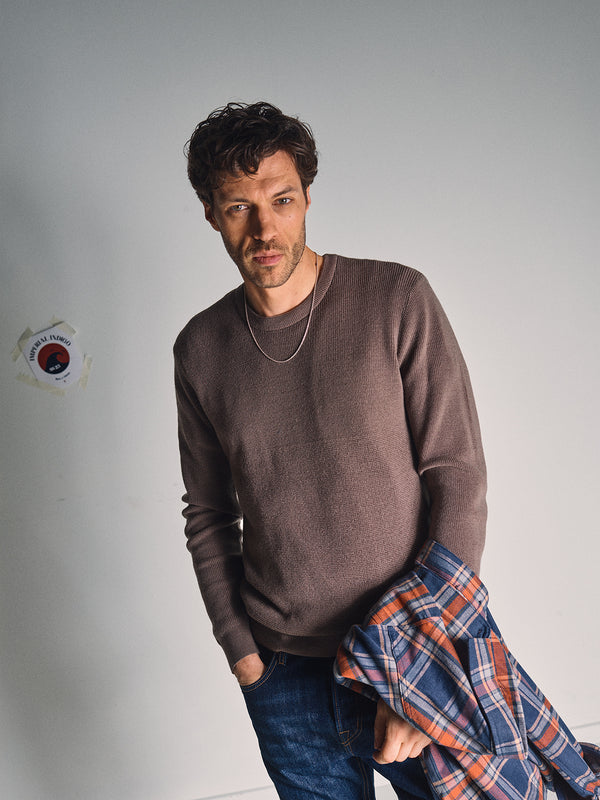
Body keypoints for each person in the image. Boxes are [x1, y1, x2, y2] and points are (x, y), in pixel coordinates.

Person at [174, 101, 487, 800]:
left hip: (412, 653)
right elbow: (208, 513)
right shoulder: (201, 348)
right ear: (209, 212)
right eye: (237, 208)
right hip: (284, 673)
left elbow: (457, 480)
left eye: (281, 200)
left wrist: (428, 654)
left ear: (307, 195)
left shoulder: (395, 299)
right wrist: (241, 651)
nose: (264, 228)